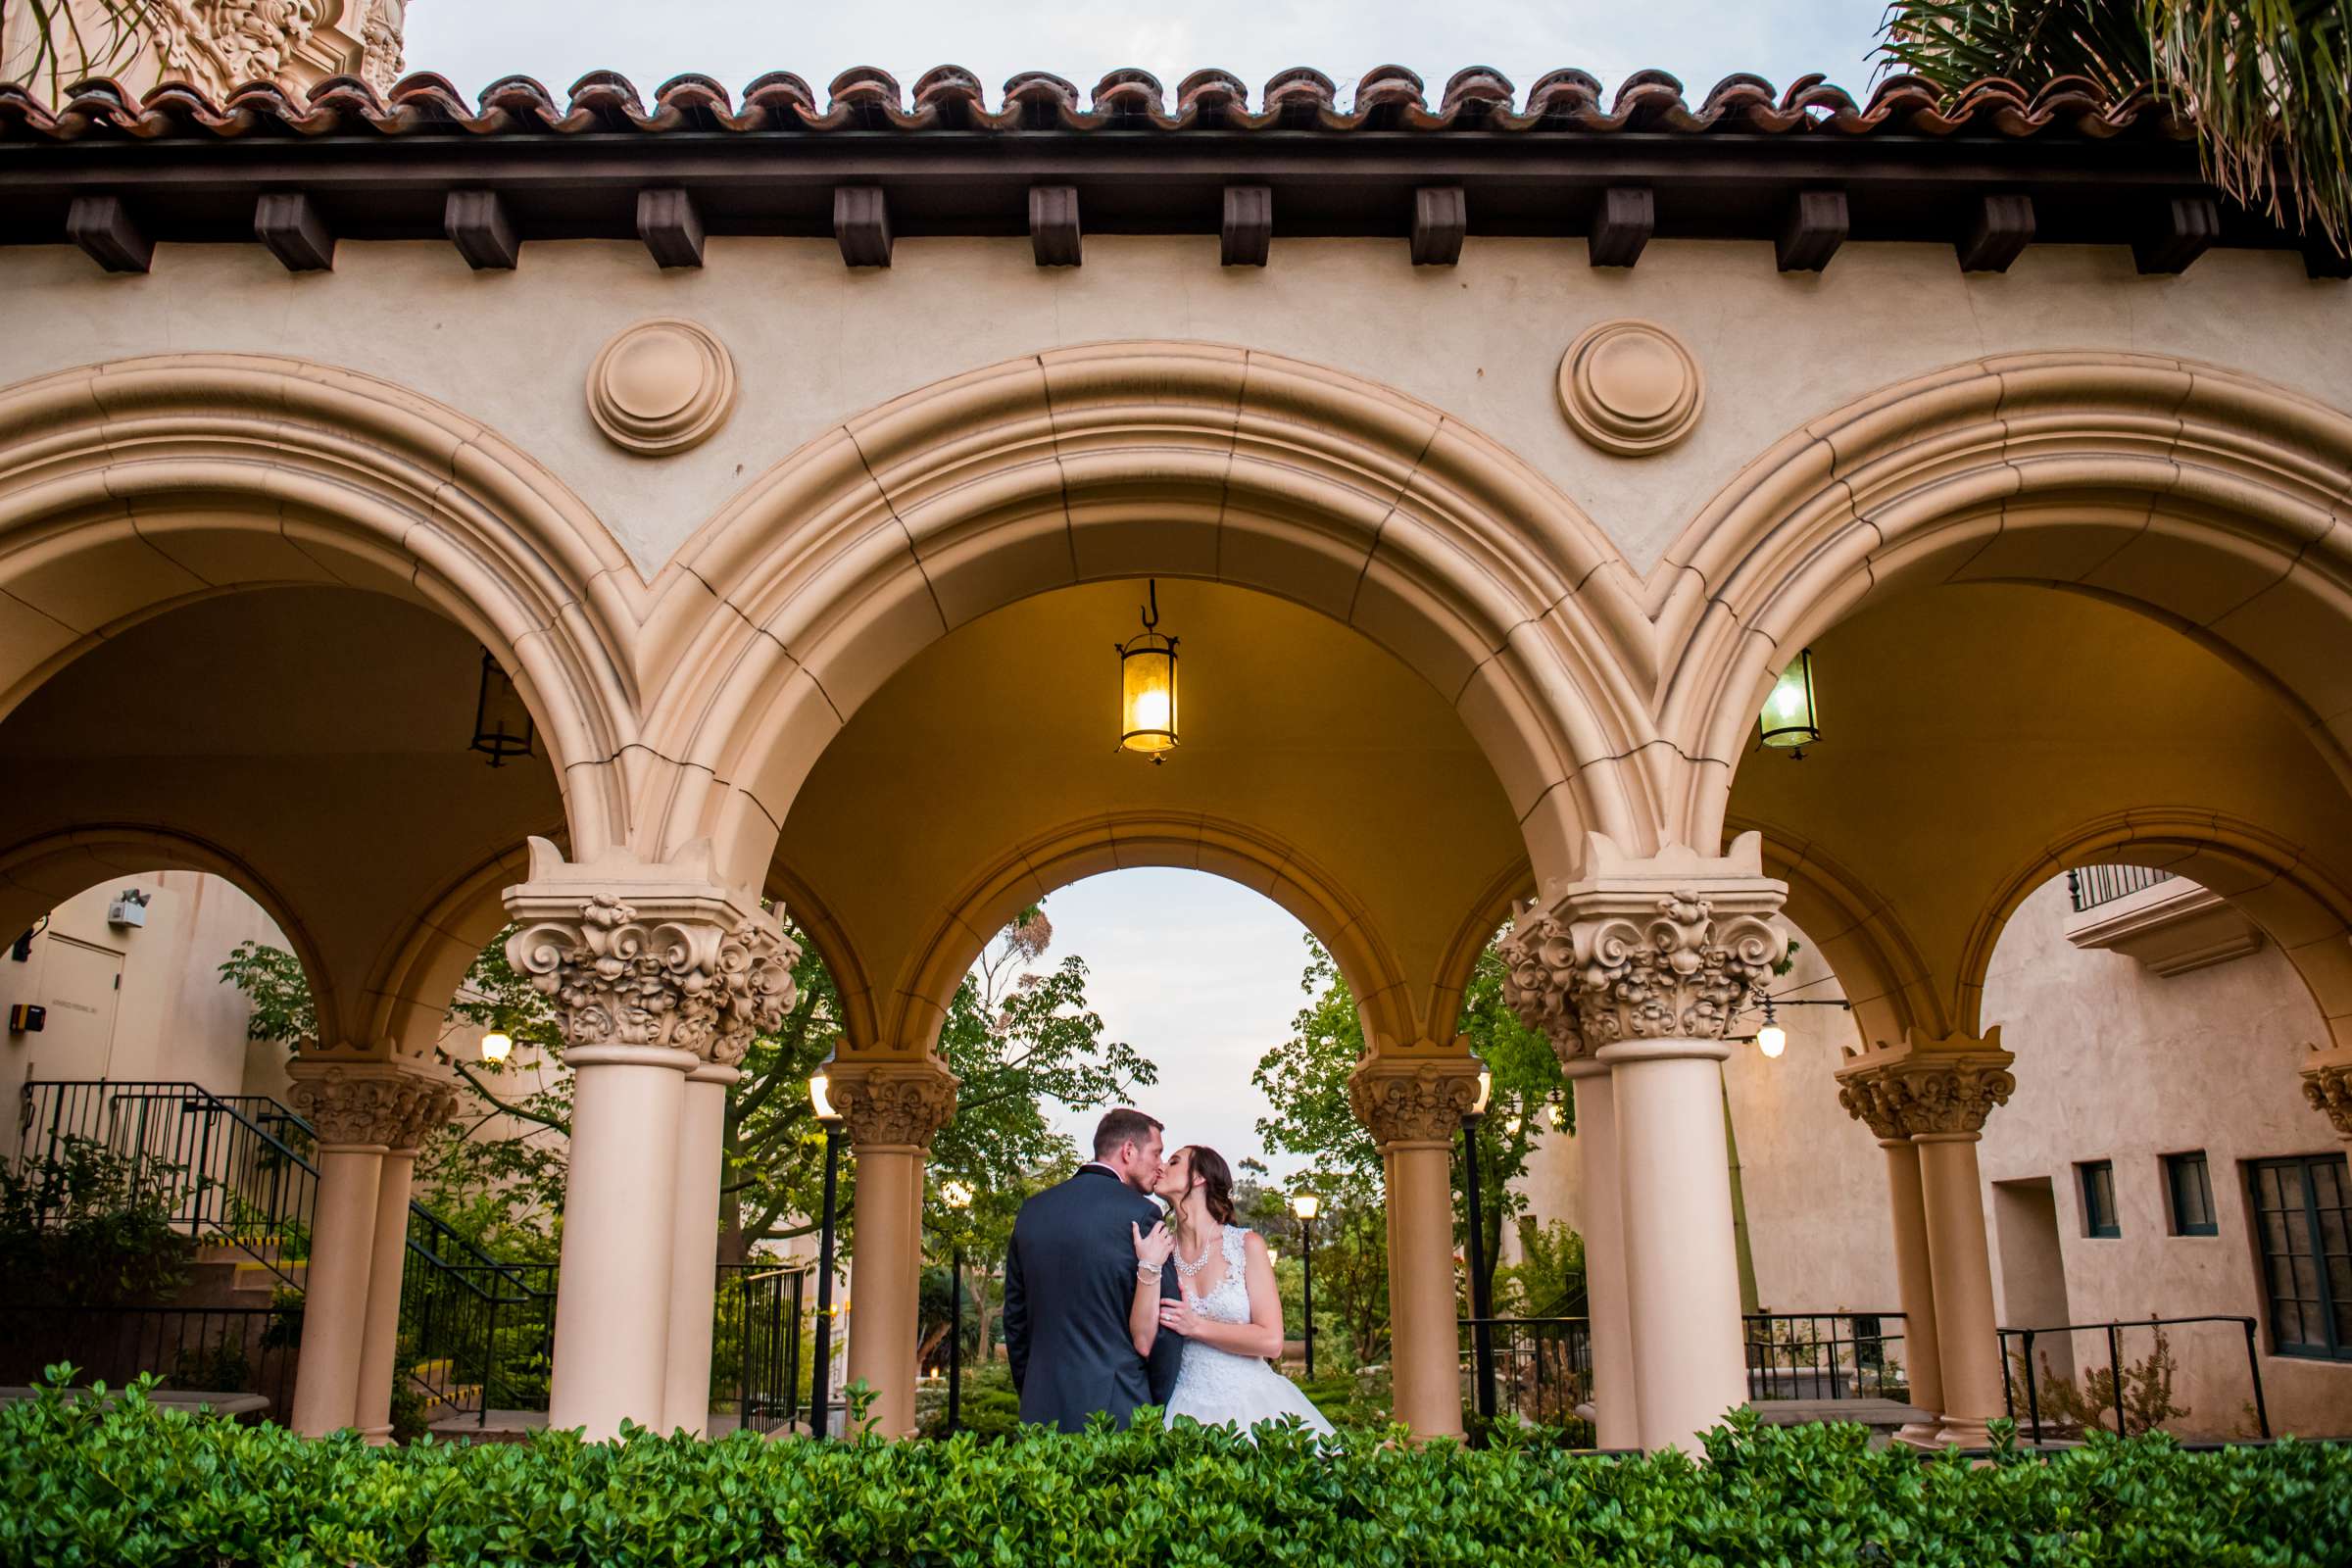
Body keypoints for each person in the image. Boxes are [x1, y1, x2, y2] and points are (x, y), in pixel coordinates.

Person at [1003, 1106, 1185, 1432]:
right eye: (1156, 1153)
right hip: (1118, 1408)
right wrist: (1152, 1402)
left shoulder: (1032, 1211)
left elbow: (1016, 1321)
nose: (1160, 1164)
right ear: (1128, 1151)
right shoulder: (1142, 1216)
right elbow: (1167, 1323)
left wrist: (1031, 1391)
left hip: (1040, 1409)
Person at [1145, 1144, 1335, 1438]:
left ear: (1199, 1178)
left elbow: (1272, 1341)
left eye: (1173, 1162)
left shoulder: (1246, 1245)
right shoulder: (1161, 1251)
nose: (1161, 1167)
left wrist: (1195, 1326)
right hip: (1181, 1405)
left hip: (1252, 1403)